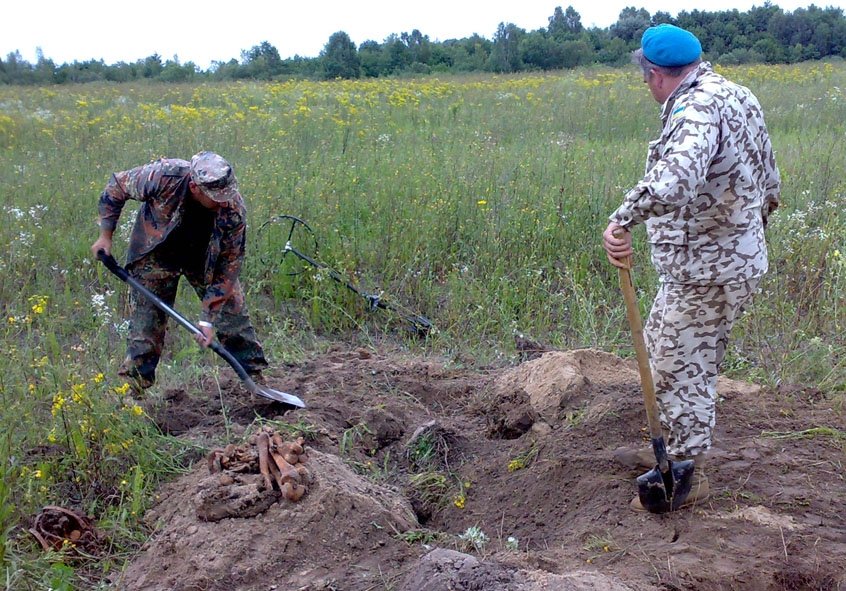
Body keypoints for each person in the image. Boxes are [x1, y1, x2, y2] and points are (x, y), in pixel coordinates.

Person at [602, 24, 780, 511]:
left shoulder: (696, 107)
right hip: (714, 263)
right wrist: (748, 234)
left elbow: (675, 182)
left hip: (708, 270)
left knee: (681, 367)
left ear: (656, 75)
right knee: (665, 349)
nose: (647, 85)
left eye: (646, 78)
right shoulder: (736, 94)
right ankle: (669, 444)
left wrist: (624, 218)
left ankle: (684, 474)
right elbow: (770, 180)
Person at [91, 151, 269, 392]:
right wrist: (105, 236)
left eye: (226, 194)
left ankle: (254, 378)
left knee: (233, 313)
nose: (224, 201)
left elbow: (229, 266)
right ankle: (134, 391)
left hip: (205, 259)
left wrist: (207, 318)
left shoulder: (233, 209)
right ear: (195, 187)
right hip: (155, 254)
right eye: (216, 197)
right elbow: (117, 185)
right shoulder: (164, 176)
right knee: (146, 326)